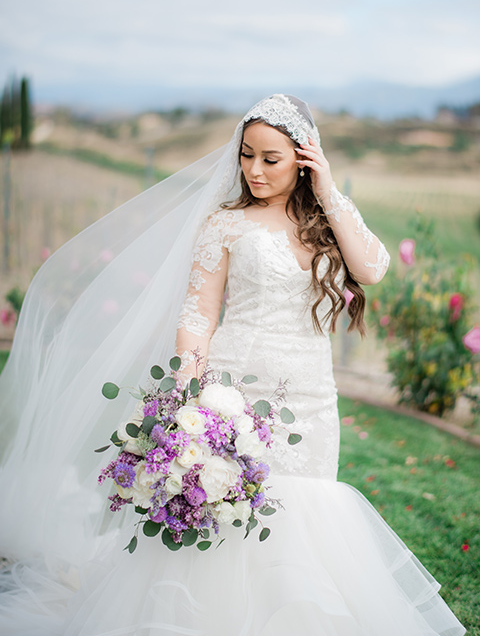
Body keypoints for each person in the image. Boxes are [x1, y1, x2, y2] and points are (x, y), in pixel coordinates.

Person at [0, 95, 465, 635]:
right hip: (236, 388)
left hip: (312, 396)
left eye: (271, 158)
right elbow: (197, 315)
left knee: (304, 512)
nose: (254, 170)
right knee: (229, 508)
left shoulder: (331, 218)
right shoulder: (225, 224)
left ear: (304, 158)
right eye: (247, 155)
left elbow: (373, 267)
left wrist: (330, 189)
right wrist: (186, 392)